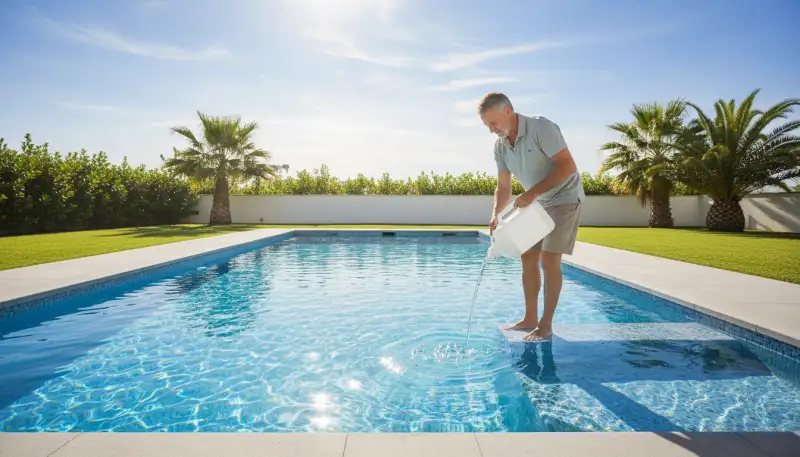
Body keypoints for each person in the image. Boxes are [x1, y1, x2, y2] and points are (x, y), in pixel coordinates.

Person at [478, 92, 585, 341]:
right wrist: (496, 215)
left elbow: (568, 166)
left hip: (565, 198)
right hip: (538, 203)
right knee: (527, 256)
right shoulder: (500, 146)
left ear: (508, 111)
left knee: (549, 259)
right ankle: (529, 319)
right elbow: (503, 187)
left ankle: (545, 326)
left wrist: (533, 192)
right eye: (487, 126)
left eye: (493, 123)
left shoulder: (541, 127)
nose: (491, 130)